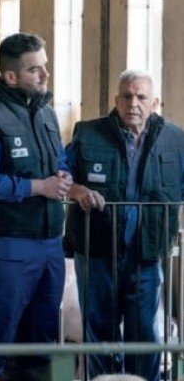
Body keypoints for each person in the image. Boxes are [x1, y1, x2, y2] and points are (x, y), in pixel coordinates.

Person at [0, 32, 73, 381]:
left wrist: (66, 180)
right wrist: (40, 187)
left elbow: (60, 161)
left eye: (45, 67)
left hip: (49, 243)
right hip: (5, 243)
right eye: (35, 70)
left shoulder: (46, 114)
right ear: (10, 76)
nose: (45, 75)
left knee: (40, 344)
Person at [64, 69, 184, 381]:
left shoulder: (175, 139)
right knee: (99, 326)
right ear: (116, 100)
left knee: (144, 329)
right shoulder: (88, 133)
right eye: (127, 96)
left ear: (155, 102)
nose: (133, 103)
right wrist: (78, 192)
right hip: (97, 248)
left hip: (146, 251)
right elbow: (62, 177)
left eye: (141, 97)